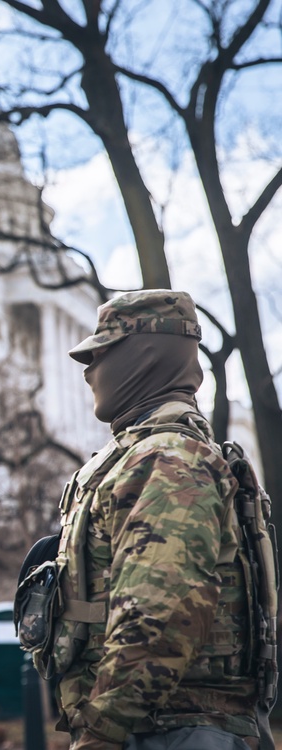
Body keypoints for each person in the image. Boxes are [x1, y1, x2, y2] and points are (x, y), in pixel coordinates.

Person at [50, 290, 266, 750]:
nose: (88, 371)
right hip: (159, 726)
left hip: (167, 731)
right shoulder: (151, 454)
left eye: (101, 353)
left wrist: (102, 730)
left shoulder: (167, 459)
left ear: (143, 357)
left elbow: (158, 616)